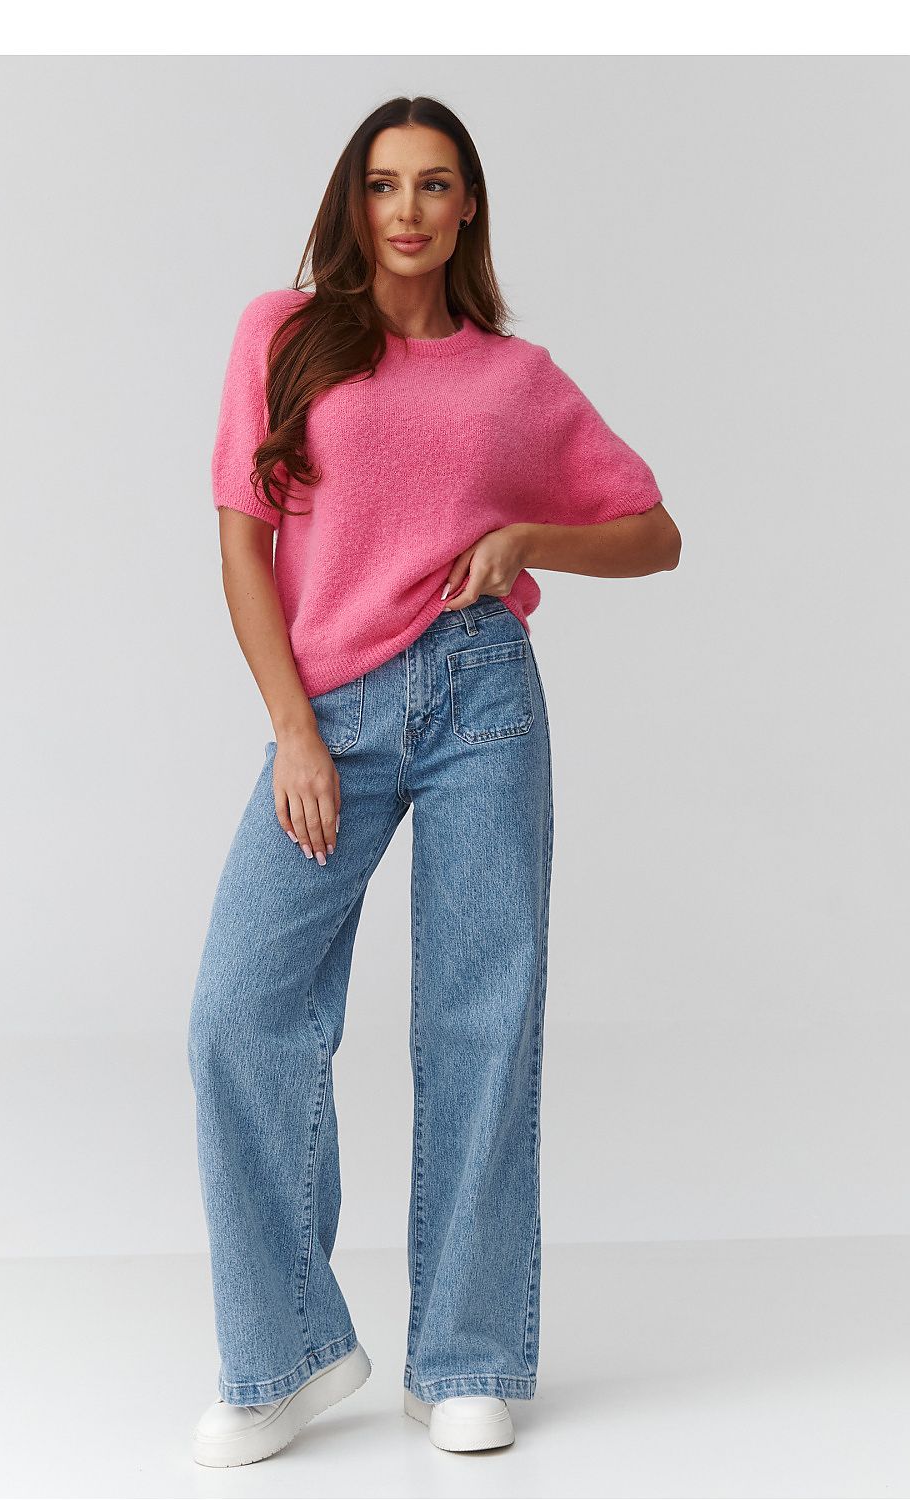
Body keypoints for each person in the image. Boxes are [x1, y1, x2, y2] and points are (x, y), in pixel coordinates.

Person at [187, 94, 680, 1468]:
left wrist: (530, 534)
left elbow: (657, 531)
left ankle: (464, 1354)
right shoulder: (279, 338)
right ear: (357, 204)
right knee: (240, 1010)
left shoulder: (515, 381)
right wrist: (293, 729)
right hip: (328, 710)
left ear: (468, 210)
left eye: (436, 186)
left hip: (481, 699)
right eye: (385, 185)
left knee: (481, 1015)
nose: (408, 210)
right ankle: (285, 1350)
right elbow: (240, 548)